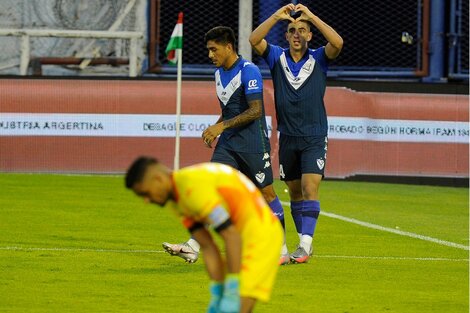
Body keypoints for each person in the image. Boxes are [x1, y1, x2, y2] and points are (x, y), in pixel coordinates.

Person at [162, 26, 290, 265]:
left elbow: (255, 110)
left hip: (253, 142)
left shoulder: (249, 71)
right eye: (208, 50)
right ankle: (192, 246)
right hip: (229, 143)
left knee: (267, 193)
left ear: (228, 47)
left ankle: (281, 250)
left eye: (214, 49)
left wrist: (221, 127)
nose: (210, 55)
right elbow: (229, 109)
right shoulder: (218, 73)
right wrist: (216, 126)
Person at [125, 157, 283, 313]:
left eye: (145, 193)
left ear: (158, 179)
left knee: (237, 308)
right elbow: (207, 247)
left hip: (261, 235)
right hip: (244, 235)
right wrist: (217, 290)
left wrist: (231, 289)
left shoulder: (191, 188)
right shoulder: (177, 200)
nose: (146, 200)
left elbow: (231, 236)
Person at [249, 3, 343, 263]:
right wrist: (276, 17)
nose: (297, 34)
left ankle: (304, 243)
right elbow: (254, 39)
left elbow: (338, 42)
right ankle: (304, 244)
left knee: (309, 186)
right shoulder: (276, 57)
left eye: (302, 30)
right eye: (292, 30)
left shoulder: (319, 58)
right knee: (294, 191)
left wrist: (312, 15)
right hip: (287, 136)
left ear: (310, 35)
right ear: (287, 36)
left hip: (314, 135)